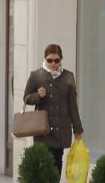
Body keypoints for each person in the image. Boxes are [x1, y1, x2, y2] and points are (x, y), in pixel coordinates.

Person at [23, 43, 84, 173]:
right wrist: (37, 96)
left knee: (57, 161)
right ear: (45, 59)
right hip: (43, 130)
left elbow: (73, 106)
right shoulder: (36, 76)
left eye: (56, 60)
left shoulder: (68, 76)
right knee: (45, 163)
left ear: (60, 59)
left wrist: (78, 129)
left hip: (61, 129)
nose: (53, 63)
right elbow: (26, 98)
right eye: (49, 60)